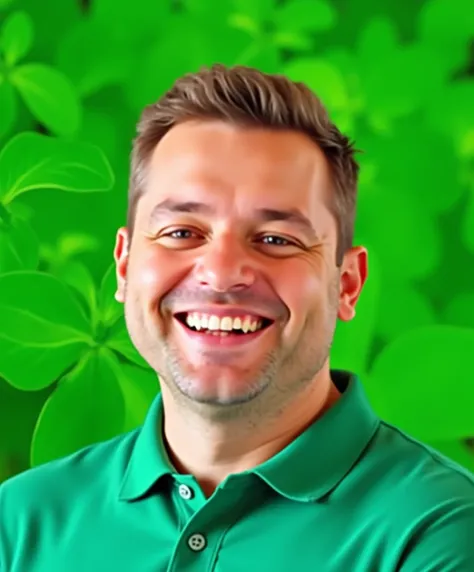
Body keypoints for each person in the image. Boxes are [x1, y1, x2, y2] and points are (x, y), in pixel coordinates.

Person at [1, 63, 473, 572]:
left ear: (347, 284)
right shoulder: (20, 523)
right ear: (124, 265)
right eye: (182, 232)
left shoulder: (439, 530)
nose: (222, 273)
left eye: (276, 239)